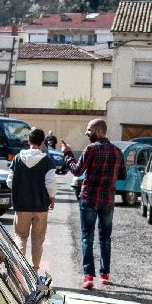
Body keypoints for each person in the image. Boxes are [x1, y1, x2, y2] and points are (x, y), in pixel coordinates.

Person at [66, 118, 120, 289]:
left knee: (87, 237)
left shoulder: (90, 149)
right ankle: (104, 275)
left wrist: (67, 154)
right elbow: (123, 175)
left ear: (98, 132)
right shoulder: (117, 151)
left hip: (89, 198)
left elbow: (76, 170)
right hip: (108, 200)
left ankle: (88, 276)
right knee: (105, 238)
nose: (86, 132)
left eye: (89, 130)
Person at [10, 127, 59, 270]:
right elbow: (50, 183)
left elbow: (9, 181)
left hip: (22, 206)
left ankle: (19, 268)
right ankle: (35, 268)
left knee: (20, 236)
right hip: (40, 206)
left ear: (28, 141)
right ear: (43, 143)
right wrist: (52, 198)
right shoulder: (47, 161)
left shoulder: (17, 159)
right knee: (38, 240)